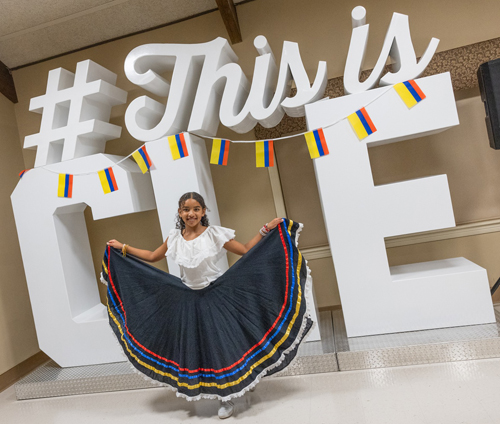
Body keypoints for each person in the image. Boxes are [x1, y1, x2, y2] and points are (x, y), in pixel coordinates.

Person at [103, 192, 313, 419]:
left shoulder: (214, 233)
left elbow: (243, 250)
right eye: (185, 209)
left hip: (217, 295)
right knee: (198, 347)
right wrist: (123, 247)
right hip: (186, 298)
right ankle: (214, 389)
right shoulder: (174, 237)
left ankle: (228, 395)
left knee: (222, 346)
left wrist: (266, 229)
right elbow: (153, 256)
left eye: (195, 209)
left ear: (203, 212)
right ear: (179, 212)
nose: (190, 213)